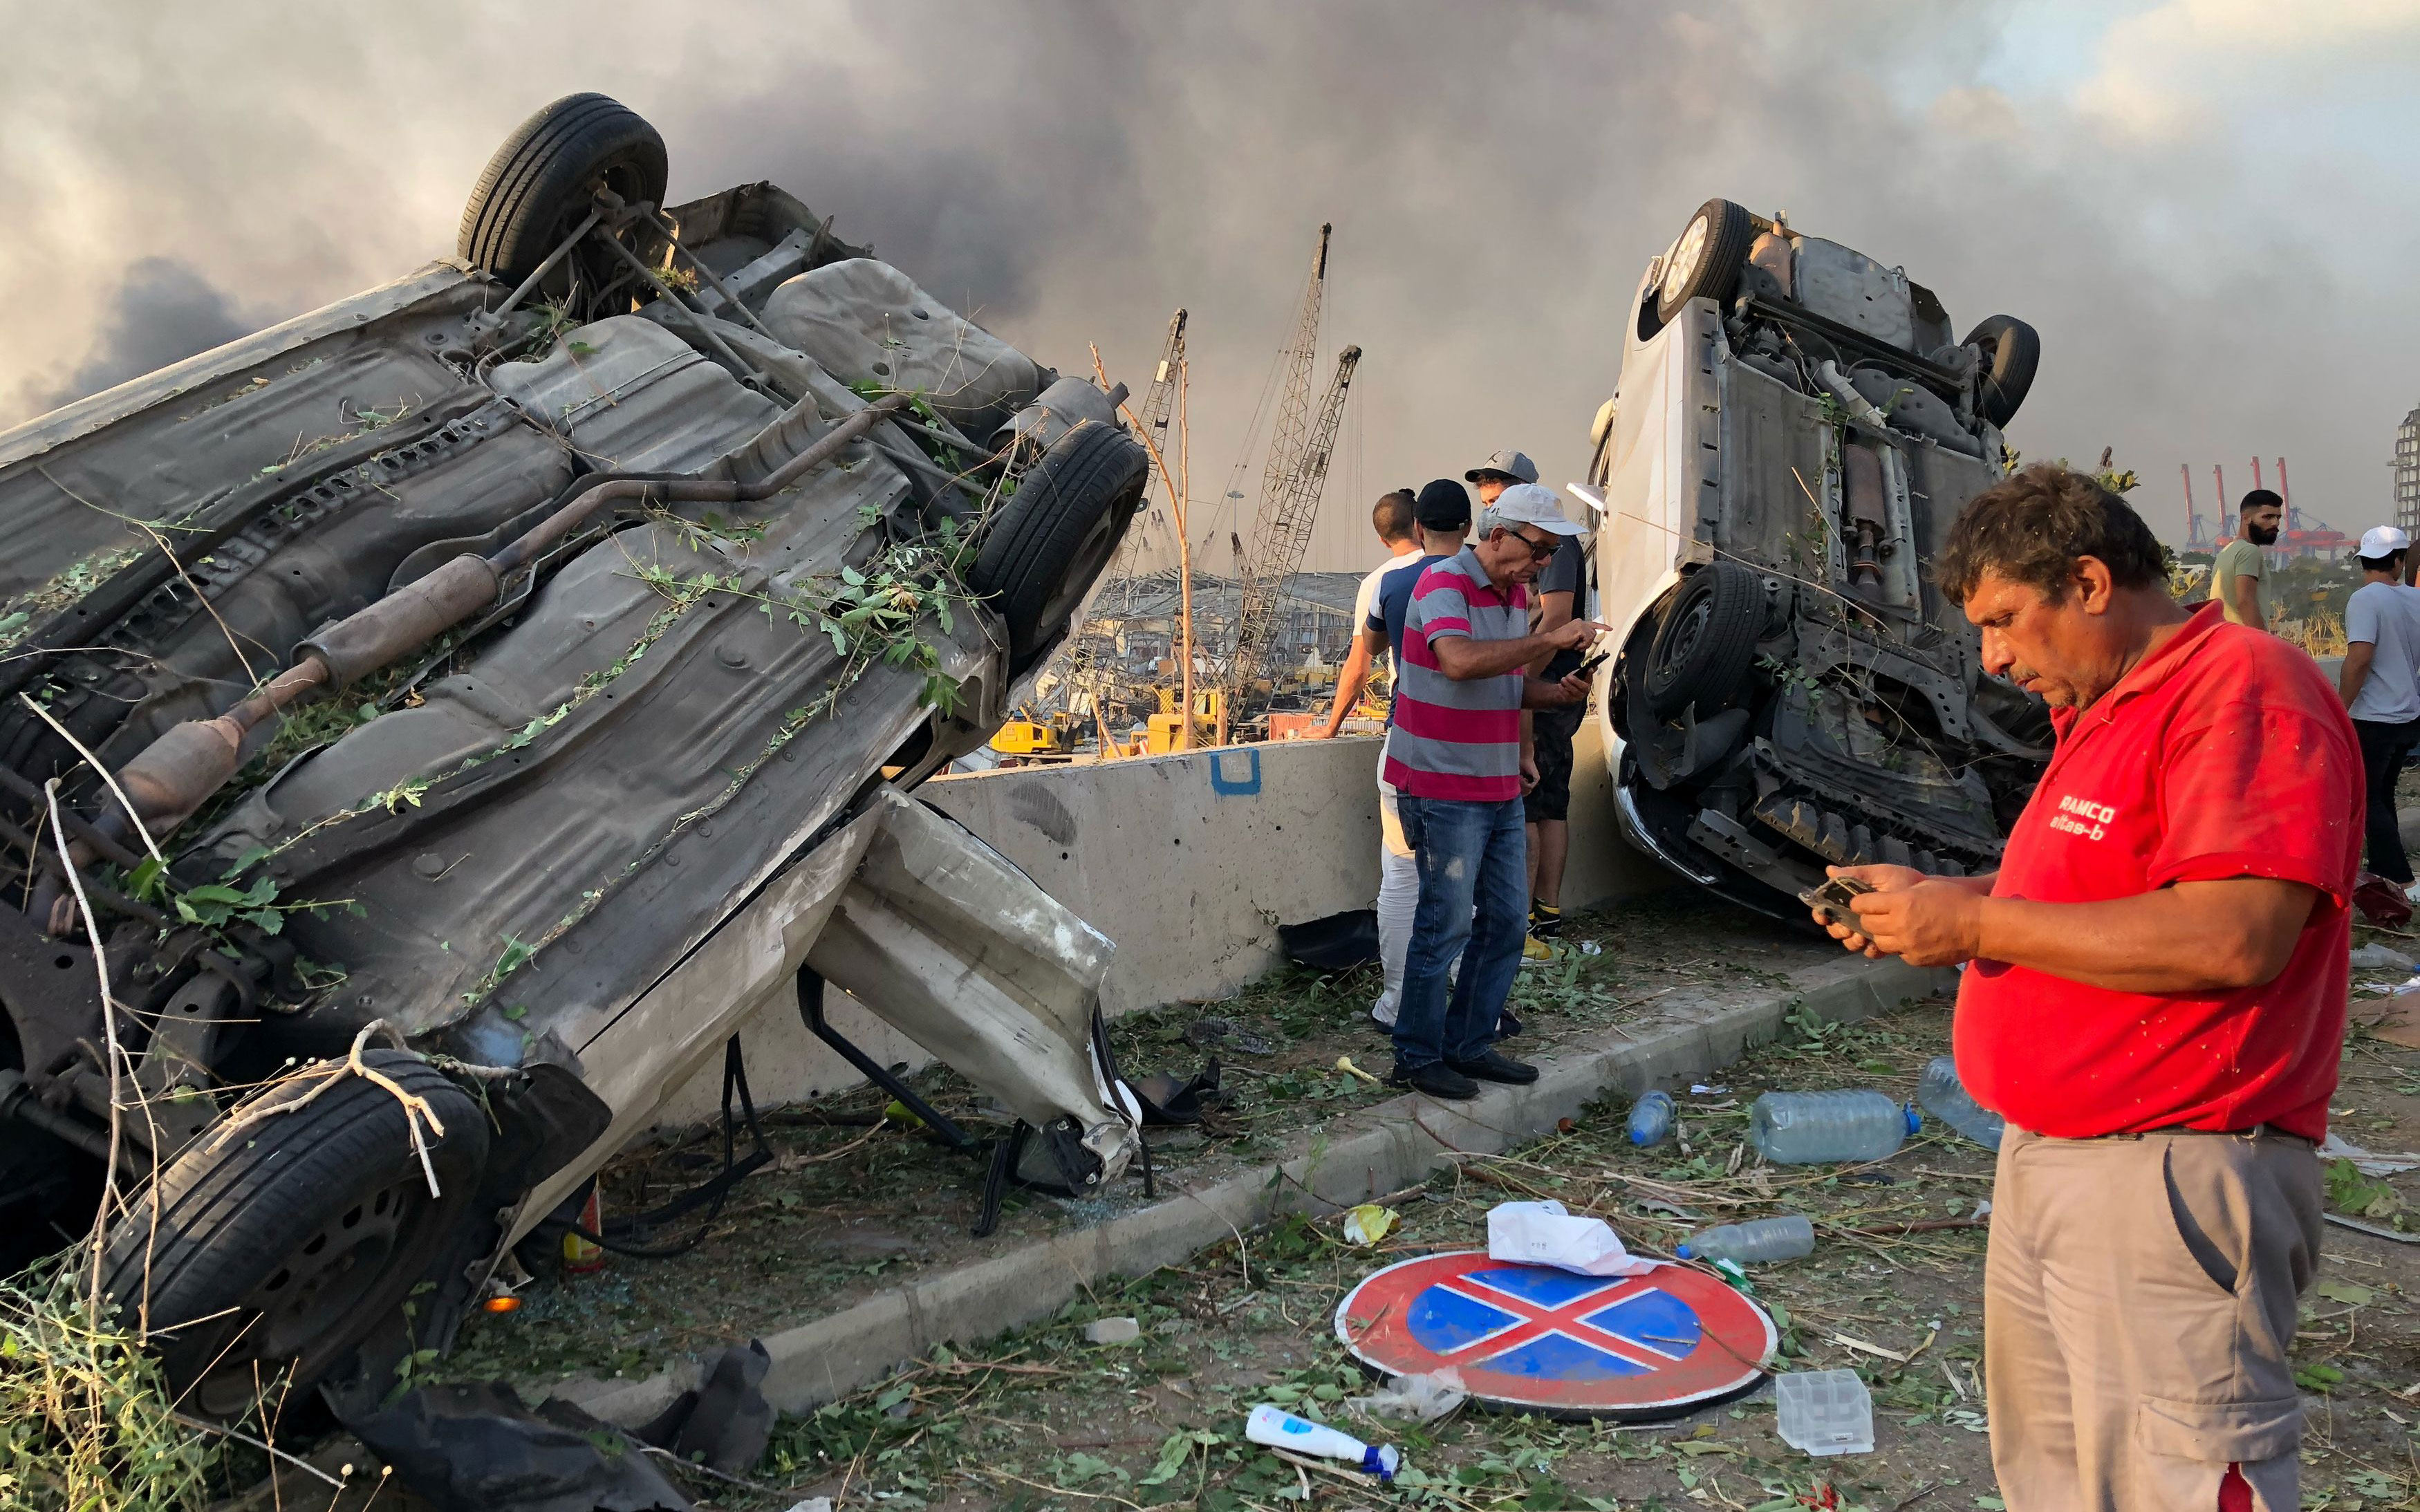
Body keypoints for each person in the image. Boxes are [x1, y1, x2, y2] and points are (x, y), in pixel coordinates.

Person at [1818, 465, 2358, 1512]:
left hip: (2172, 1167)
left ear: (2091, 581)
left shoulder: (2243, 687)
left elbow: (2237, 931)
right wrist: (1945, 896)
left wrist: (1973, 923)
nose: (1995, 656)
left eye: (2007, 619)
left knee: (2178, 1477)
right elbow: (2099, 887)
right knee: (2060, 1477)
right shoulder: (2111, 707)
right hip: (2059, 1159)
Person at [1388, 483, 1606, 1099]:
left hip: (1495, 783)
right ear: (1500, 534)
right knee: (1445, 924)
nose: (1543, 565)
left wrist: (1551, 695)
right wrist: (1549, 641)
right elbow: (1458, 661)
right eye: (1539, 551)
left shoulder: (1514, 597)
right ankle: (1416, 1055)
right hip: (1440, 783)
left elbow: (1503, 682)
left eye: (1550, 556)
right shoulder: (1442, 586)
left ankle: (1468, 1041)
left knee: (1508, 921)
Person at [1357, 480, 1476, 1029]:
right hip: (1476, 748)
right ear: (1470, 529)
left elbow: (1371, 649)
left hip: (1408, 745)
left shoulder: (1393, 581)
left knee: (1403, 875)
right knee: (1465, 882)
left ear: (1418, 529)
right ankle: (1465, 1001)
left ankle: (1397, 1003)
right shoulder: (1493, 580)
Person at [2340, 525, 2420, 896]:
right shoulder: (2415, 600)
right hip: (2407, 717)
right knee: (2384, 795)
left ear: (2363, 561)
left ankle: (2400, 878)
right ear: (2399, 561)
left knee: (2367, 798)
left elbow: (2360, 657)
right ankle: (2384, 876)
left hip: (2373, 717)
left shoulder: (2365, 600)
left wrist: (2340, 707)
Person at [1312, 490, 1421, 740]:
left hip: (1408, 713)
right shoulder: (1453, 565)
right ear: (1419, 523)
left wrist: (1332, 727)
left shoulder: (1377, 582)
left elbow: (1358, 665)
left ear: (1383, 540)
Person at [2213, 488, 2283, 630]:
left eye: (2278, 518)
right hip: (2245, 641)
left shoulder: (2227, 551)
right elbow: (2245, 602)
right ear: (2246, 518)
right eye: (2267, 517)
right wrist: (2263, 643)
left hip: (2226, 640)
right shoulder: (2249, 551)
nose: (2275, 523)